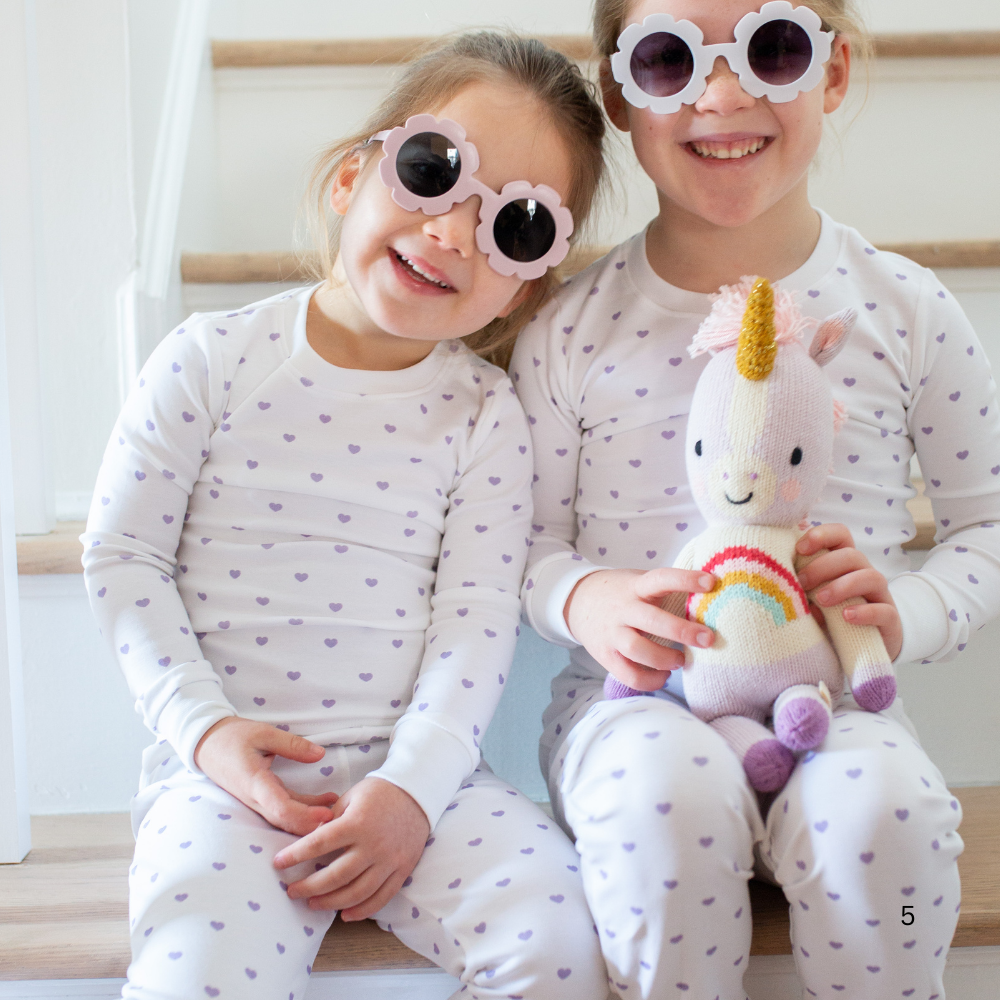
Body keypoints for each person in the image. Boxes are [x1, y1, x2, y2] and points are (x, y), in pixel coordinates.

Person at [83, 32, 611, 1000]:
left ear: (530, 275)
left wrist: (410, 790)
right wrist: (206, 733)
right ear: (350, 178)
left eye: (517, 225)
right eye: (431, 171)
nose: (451, 232)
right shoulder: (209, 359)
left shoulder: (485, 416)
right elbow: (122, 557)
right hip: (221, 781)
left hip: (427, 780)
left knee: (561, 939)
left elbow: (473, 622)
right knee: (189, 974)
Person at [512, 2, 993, 997]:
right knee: (659, 801)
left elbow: (986, 524)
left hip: (831, 705)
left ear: (834, 73)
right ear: (616, 93)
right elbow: (520, 542)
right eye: (668, 58)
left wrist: (903, 612)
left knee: (884, 815)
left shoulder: (902, 308)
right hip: (636, 707)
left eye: (772, 49)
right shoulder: (571, 329)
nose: (722, 94)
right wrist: (584, 602)